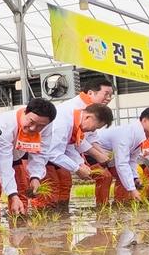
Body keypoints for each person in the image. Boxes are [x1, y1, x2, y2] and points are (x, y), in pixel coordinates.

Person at [28, 76, 114, 210]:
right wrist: (78, 167)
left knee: (65, 183)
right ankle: (42, 219)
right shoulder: (68, 115)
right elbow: (56, 151)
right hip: (41, 152)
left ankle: (61, 215)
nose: (109, 98)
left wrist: (79, 163)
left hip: (58, 152)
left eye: (111, 95)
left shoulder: (85, 115)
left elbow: (70, 144)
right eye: (106, 94)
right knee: (51, 186)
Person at [0, 98, 54, 219]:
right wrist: (12, 194)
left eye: (40, 126)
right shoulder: (4, 125)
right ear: (25, 112)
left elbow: (40, 153)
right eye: (31, 122)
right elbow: (3, 164)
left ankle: (19, 224)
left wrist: (36, 176)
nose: (33, 128)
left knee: (22, 188)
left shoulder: (46, 126)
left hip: (16, 156)